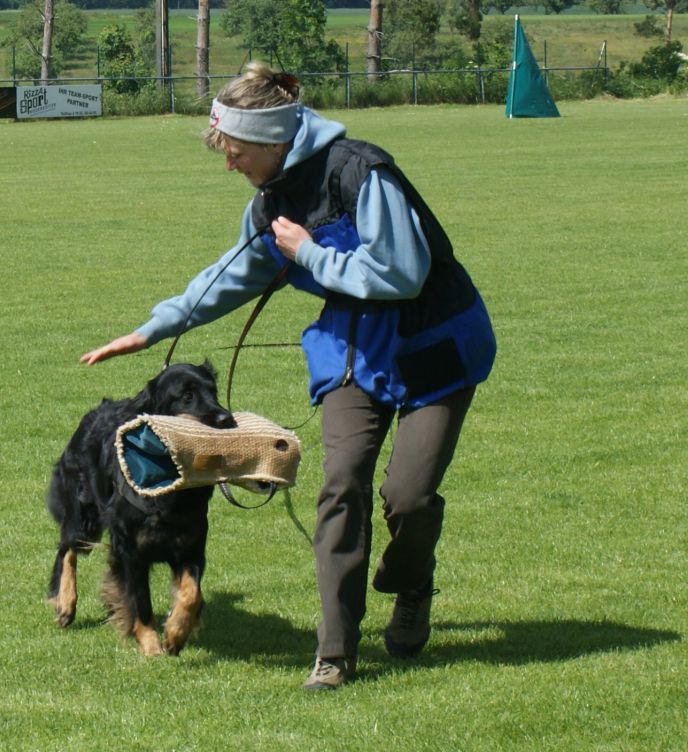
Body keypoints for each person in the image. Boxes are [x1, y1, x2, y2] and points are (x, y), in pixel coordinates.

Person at [81, 62, 497, 690]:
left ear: (275, 141)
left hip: (434, 347)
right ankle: (335, 654)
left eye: (236, 151)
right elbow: (231, 275)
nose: (229, 164)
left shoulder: (363, 172)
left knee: (407, 498)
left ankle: (412, 584)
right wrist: (154, 328)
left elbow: (402, 274)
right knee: (341, 488)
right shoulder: (270, 202)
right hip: (351, 355)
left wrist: (309, 254)